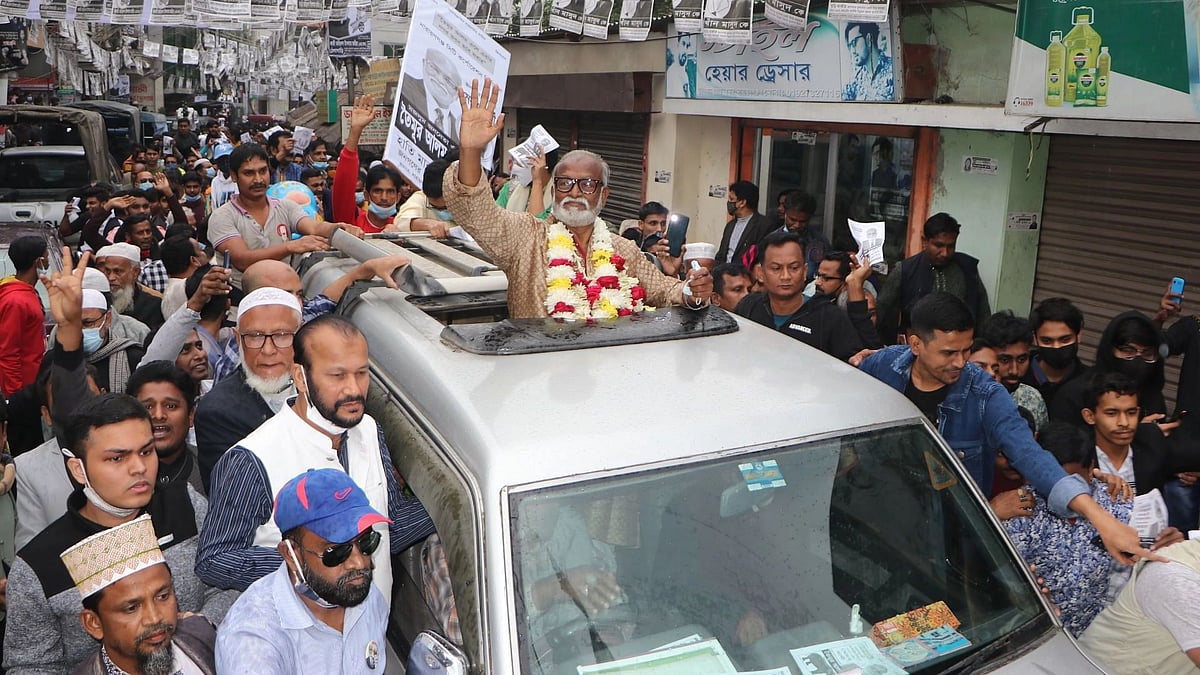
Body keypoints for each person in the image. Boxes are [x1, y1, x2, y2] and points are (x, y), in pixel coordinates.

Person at [857, 292, 1160, 567]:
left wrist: (1101, 519)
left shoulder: (986, 395)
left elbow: (1030, 455)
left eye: (966, 350)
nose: (961, 363)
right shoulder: (883, 366)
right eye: (949, 353)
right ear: (916, 345)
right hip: (876, 517)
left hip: (946, 537)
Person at [196, 315, 434, 597]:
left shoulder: (368, 430)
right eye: (337, 376)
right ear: (300, 377)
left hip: (371, 631)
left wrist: (456, 512)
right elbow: (214, 560)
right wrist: (307, 562)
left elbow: (388, 528)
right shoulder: (251, 460)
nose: (354, 389)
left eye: (361, 373)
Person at [444, 79, 711, 320]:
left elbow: (665, 290)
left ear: (603, 195)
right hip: (539, 366)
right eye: (565, 183)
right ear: (553, 191)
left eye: (587, 184)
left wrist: (692, 290)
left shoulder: (624, 250)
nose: (574, 192)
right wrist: (471, 151)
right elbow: (476, 212)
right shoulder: (525, 237)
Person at [2, 392, 228, 674]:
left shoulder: (186, 505)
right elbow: (30, 666)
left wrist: (197, 630)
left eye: (146, 451)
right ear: (78, 469)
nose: (139, 468)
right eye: (117, 458)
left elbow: (228, 585)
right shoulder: (39, 566)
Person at [214, 469, 391, 673]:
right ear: (291, 554)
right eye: (336, 552)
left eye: (366, 542)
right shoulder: (253, 641)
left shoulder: (364, 595)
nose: (359, 563)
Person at [1002, 422, 1132, 636]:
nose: (1063, 496)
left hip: (1105, 635)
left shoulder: (1118, 505)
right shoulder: (1019, 512)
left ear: (1091, 469)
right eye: (1050, 483)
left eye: (1072, 484)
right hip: (1041, 639)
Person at [61, 515, 217, 675]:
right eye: (131, 608)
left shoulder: (204, 634)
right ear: (94, 623)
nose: (155, 618)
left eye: (163, 596)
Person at [207, 143, 360, 289]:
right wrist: (290, 247)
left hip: (284, 297)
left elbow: (313, 227)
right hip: (239, 305)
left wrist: (338, 228)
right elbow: (242, 260)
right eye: (249, 173)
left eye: (263, 171)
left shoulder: (285, 207)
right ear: (234, 176)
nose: (258, 180)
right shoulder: (222, 216)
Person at [735, 232, 877, 360]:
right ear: (760, 273)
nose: (785, 276)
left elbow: (868, 357)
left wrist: (855, 287)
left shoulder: (830, 318)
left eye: (794, 268)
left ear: (805, 271)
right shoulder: (749, 307)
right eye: (776, 268)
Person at [875, 212, 990, 343]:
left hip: (961, 348)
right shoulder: (905, 270)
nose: (945, 253)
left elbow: (983, 314)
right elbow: (882, 310)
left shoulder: (967, 268)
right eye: (939, 246)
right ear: (925, 241)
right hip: (919, 349)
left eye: (951, 246)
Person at [1051, 311, 1170, 429]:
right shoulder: (1074, 396)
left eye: (1147, 354)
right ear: (1110, 350)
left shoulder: (1153, 396)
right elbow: (1063, 444)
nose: (1137, 361)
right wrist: (1136, 436)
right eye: (1128, 351)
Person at [126, 361, 204, 496]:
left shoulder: (211, 469)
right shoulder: (115, 474)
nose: (158, 415)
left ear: (191, 415)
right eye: (147, 407)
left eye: (171, 406)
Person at [332, 95, 408, 235]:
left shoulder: (404, 227)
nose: (384, 198)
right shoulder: (352, 223)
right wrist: (356, 130)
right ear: (367, 195)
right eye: (377, 191)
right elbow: (343, 183)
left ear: (398, 197)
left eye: (390, 192)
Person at [982, 311, 1049, 433]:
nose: (1014, 370)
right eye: (1004, 360)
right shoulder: (966, 396)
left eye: (1022, 359)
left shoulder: (1032, 399)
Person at [1023, 296, 1091, 411]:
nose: (1056, 347)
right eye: (1047, 341)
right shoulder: (1018, 375)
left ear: (1078, 336)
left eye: (1065, 340)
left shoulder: (1091, 383)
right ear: (1035, 338)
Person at [0, 235, 47, 397]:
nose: (47, 263)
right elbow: (8, 352)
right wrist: (16, 396)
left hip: (34, 384)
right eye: (46, 257)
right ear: (38, 262)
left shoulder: (26, 292)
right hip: (23, 391)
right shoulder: (15, 301)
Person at [95, 242, 165, 332]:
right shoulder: (101, 301)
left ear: (135, 272)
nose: (111, 278)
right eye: (108, 271)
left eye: (118, 271)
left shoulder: (154, 306)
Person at [400, 48, 462, 145]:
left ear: (457, 95)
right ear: (424, 63)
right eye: (434, 68)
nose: (440, 80)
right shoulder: (404, 87)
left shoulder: (461, 131)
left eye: (449, 81)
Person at [394, 159, 457, 238]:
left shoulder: (471, 199)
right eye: (434, 207)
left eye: (445, 207)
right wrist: (428, 224)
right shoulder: (420, 198)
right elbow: (401, 221)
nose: (441, 211)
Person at [715, 180, 771, 266]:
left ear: (742, 203)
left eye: (731, 199)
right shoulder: (730, 226)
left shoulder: (763, 225)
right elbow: (721, 255)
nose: (729, 202)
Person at [158, 234, 209, 319]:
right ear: (194, 260)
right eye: (201, 250)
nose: (205, 253)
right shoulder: (185, 287)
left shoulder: (172, 289)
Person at [842, 21, 894, 102]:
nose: (852, 51)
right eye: (850, 46)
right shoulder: (854, 80)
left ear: (868, 39)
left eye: (854, 43)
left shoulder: (894, 72)